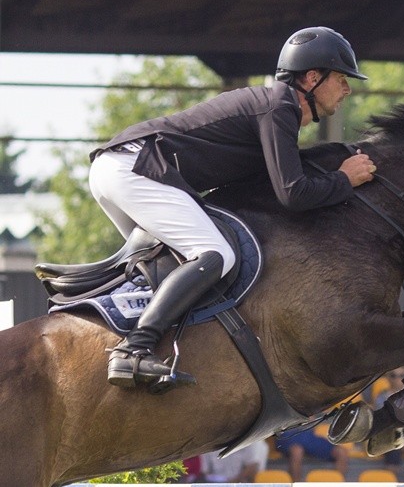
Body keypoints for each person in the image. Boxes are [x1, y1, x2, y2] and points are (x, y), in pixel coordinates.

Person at [90, 26, 375, 387]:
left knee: (173, 268)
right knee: (214, 253)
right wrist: (344, 179)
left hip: (122, 168)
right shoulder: (279, 106)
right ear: (313, 78)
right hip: (137, 168)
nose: (348, 88)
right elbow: (293, 194)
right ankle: (133, 350)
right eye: (341, 78)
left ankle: (131, 340)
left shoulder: (275, 110)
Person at [275, 427, 349, 481]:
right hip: (287, 437)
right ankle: (295, 484)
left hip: (308, 436)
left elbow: (311, 419)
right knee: (297, 451)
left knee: (341, 452)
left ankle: (337, 483)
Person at [199, 439, 269, 483]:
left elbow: (252, 469)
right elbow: (205, 471)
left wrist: (232, 483)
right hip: (217, 483)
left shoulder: (253, 440)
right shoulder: (209, 443)